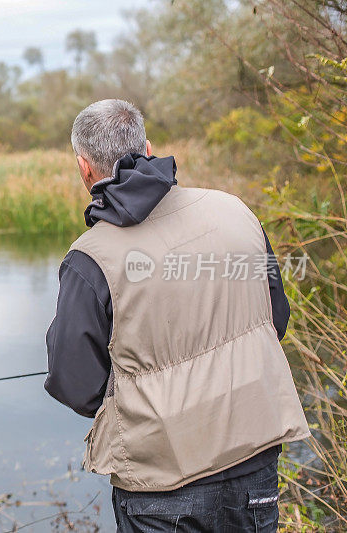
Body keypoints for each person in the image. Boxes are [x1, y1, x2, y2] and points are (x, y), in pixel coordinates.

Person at [44, 99, 310, 532]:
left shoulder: (90, 258)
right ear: (149, 148)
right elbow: (275, 319)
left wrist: (135, 396)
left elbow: (74, 383)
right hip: (254, 458)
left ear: (83, 167)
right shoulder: (235, 211)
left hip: (160, 480)